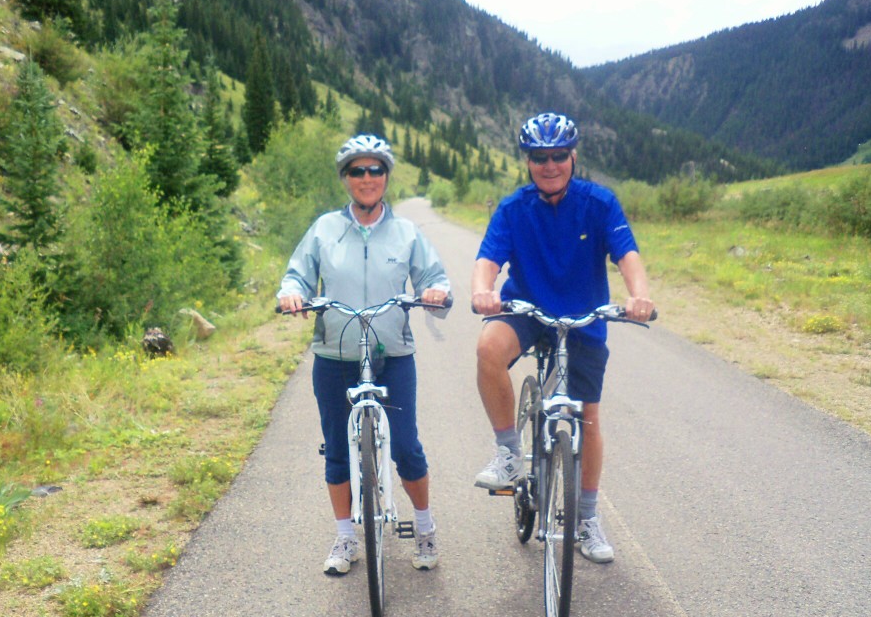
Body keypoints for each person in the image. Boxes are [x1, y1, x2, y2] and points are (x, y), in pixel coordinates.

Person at [470, 112, 654, 563]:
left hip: (583, 317)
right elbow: (488, 260)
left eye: (557, 156)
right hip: (528, 310)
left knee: (587, 416)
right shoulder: (514, 208)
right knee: (487, 348)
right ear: (528, 161)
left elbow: (626, 254)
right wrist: (482, 290)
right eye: (539, 157)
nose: (549, 165)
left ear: (573, 157)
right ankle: (509, 453)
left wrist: (640, 296)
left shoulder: (599, 203)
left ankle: (587, 517)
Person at [277, 134, 451, 575]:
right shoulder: (324, 229)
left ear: (387, 176)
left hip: (392, 353)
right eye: (358, 170)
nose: (368, 178)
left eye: (376, 169)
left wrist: (435, 293)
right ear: (346, 179)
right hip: (334, 355)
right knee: (337, 450)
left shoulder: (407, 232)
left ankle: (425, 528)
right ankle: (345, 538)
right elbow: (297, 275)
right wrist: (292, 295)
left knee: (407, 448)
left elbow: (436, 278)